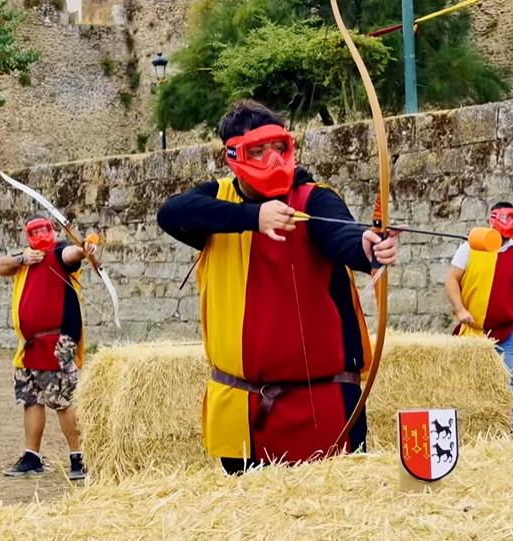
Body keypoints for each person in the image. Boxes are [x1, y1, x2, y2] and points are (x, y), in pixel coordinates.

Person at [155, 99, 401, 475]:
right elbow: (170, 213)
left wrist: (367, 246)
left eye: (279, 148)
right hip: (242, 409)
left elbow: (342, 236)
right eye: (258, 150)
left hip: (326, 404)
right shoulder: (216, 203)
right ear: (233, 155)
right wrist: (253, 216)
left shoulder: (314, 198)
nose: (271, 160)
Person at [0, 213, 97, 479]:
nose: (39, 236)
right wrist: (21, 259)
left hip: (58, 341)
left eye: (43, 230)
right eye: (33, 232)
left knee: (64, 399)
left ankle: (78, 458)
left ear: (51, 229)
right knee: (31, 399)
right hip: (29, 345)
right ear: (27, 235)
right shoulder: (26, 259)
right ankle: (32, 457)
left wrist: (85, 249)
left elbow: (73, 254)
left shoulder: (59, 252)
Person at [444, 201, 513, 435]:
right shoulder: (470, 247)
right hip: (473, 330)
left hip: (510, 330)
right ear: (492, 219)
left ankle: (511, 431)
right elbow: (451, 280)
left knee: (511, 382)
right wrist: (460, 309)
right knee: (467, 384)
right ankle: (469, 432)